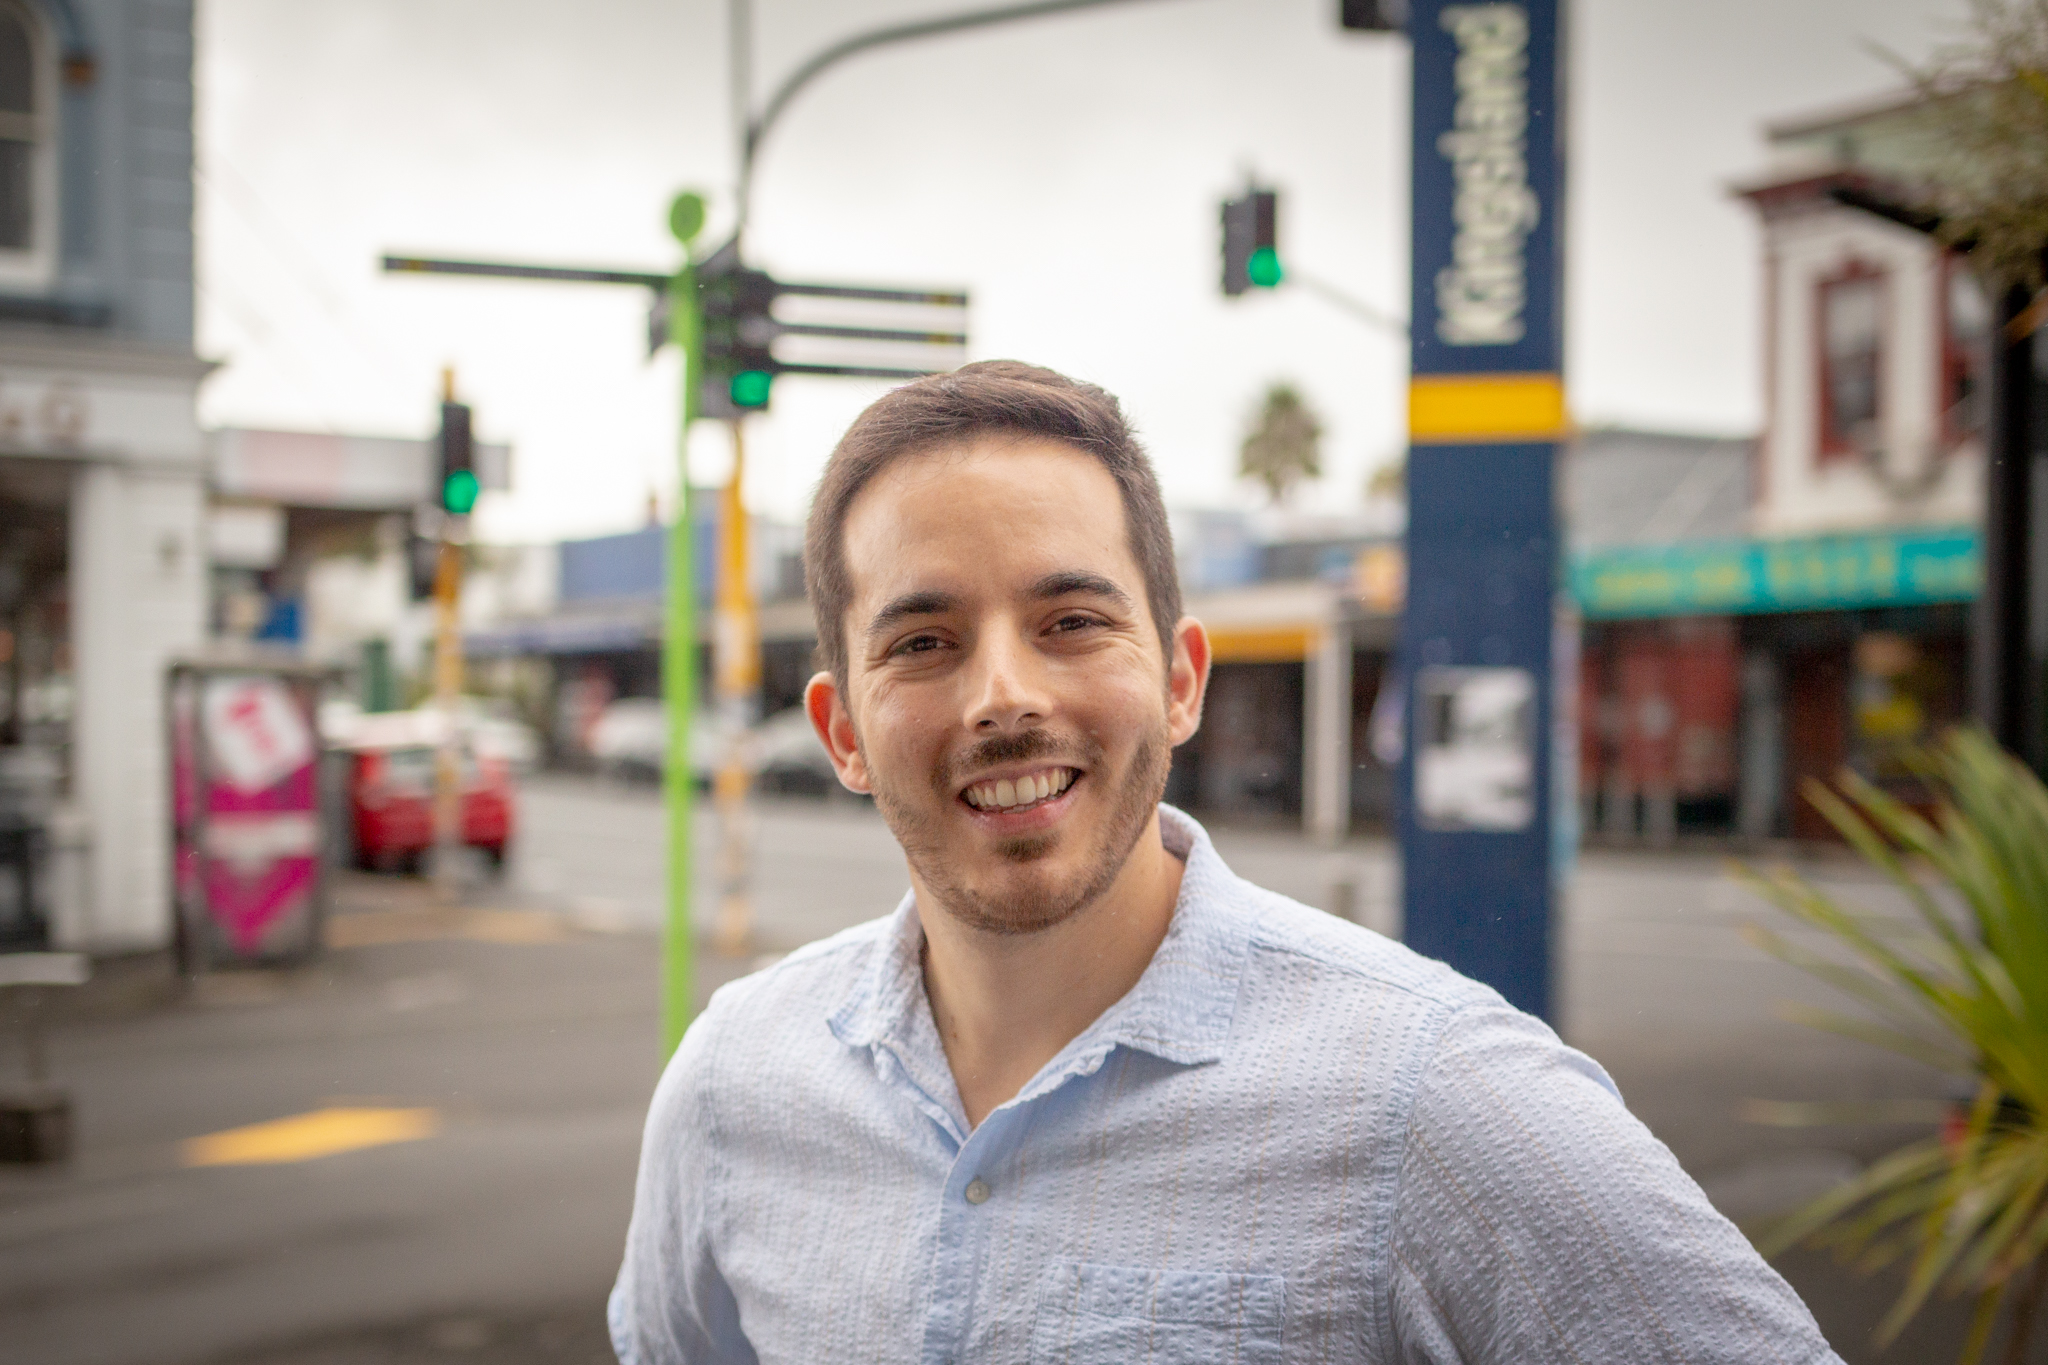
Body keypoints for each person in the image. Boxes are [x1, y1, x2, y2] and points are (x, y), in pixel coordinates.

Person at [610, 361, 1841, 1364]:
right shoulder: (733, 1085)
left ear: (1181, 678)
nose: (1003, 695)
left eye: (1071, 623)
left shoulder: (1431, 1097)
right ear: (841, 734)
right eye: (923, 640)